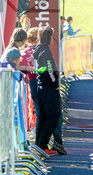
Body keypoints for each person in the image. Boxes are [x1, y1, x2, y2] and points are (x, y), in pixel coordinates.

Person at [32, 26, 65, 156]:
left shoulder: (37, 49)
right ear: (49, 37)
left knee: (44, 117)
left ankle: (39, 144)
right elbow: (49, 70)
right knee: (54, 116)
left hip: (40, 86)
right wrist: (55, 84)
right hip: (48, 88)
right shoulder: (45, 51)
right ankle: (43, 144)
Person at [20, 27, 40, 128]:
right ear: (37, 39)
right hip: (42, 80)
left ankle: (34, 126)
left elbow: (17, 66)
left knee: (33, 104)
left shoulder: (23, 53)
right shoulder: (42, 50)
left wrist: (24, 73)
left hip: (30, 81)